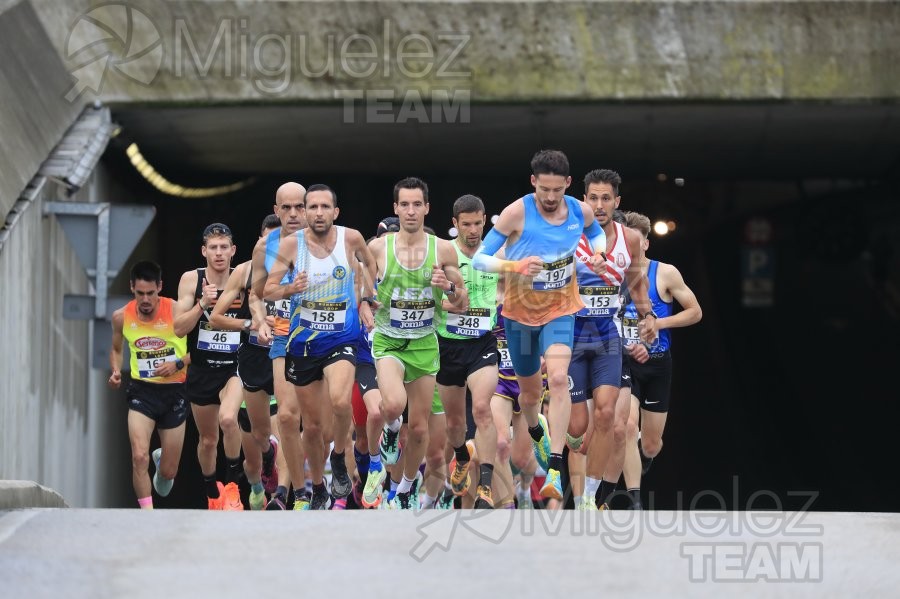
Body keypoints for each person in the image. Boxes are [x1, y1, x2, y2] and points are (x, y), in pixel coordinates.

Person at [473, 150, 650, 500]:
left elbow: (596, 234)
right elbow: (480, 259)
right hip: (519, 316)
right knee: (528, 397)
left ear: (567, 185)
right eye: (544, 190)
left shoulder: (579, 211)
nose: (551, 198)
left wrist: (599, 255)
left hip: (560, 310)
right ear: (533, 182)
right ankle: (537, 430)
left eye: (557, 190)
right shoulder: (515, 213)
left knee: (556, 379)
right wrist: (516, 267)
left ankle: (554, 465)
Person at [265, 184, 378, 509]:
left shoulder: (351, 239)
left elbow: (370, 267)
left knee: (341, 402)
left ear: (335, 212)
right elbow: (267, 290)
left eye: (323, 207)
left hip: (341, 338)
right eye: (311, 207)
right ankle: (316, 486)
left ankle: (339, 459)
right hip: (302, 344)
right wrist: (289, 290)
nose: (316, 213)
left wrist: (367, 299)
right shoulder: (290, 246)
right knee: (313, 428)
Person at [366, 177, 468, 509]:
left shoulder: (444, 249)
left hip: (425, 343)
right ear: (396, 208)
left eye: (417, 204)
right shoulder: (378, 248)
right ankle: (391, 429)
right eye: (404, 205)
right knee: (393, 405)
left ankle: (407, 487)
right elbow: (361, 291)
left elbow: (462, 301)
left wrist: (449, 288)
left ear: (427, 208)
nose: (411, 211)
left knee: (422, 431)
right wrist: (367, 305)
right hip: (389, 341)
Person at [569, 169, 651, 510]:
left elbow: (637, 285)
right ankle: (562, 437)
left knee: (606, 416)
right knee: (578, 428)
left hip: (607, 336)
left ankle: (588, 495)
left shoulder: (629, 239)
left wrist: (648, 317)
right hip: (571, 334)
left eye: (606, 199)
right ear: (584, 200)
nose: (599, 205)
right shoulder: (569, 235)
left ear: (616, 202)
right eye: (593, 198)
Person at [620, 211, 702, 507]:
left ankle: (645, 454)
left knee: (652, 445)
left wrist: (659, 324)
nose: (628, 247)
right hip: (625, 363)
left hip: (656, 365)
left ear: (645, 244)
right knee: (628, 426)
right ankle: (634, 498)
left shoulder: (665, 273)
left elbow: (695, 312)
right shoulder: (611, 274)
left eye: (634, 242)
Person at [208, 215, 282, 510]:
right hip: (252, 362)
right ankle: (259, 474)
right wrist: (250, 324)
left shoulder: (303, 267)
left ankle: (286, 495)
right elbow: (216, 318)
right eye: (269, 240)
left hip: (285, 361)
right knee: (258, 443)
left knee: (286, 424)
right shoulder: (246, 271)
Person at [174, 223, 245, 510]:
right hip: (203, 369)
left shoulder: (243, 278)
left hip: (234, 367)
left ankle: (232, 485)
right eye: (213, 247)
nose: (219, 253)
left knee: (229, 419)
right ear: (204, 251)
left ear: (233, 251)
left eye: (224, 247)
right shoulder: (191, 280)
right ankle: (210, 489)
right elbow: (179, 329)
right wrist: (203, 303)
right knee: (207, 440)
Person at [436, 194, 500, 508]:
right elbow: (434, 301)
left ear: (485, 220)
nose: (473, 230)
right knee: (454, 423)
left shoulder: (496, 254)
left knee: (483, 409)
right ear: (455, 224)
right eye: (466, 224)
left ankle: (485, 487)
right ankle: (461, 456)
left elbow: (513, 292)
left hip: (483, 344)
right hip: (447, 345)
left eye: (478, 223)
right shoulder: (443, 256)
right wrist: (452, 304)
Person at [109, 261, 188, 509]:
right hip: (142, 392)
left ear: (160, 288)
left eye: (151, 293)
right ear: (132, 288)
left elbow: (200, 350)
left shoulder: (176, 310)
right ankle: (147, 514)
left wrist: (177, 364)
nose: (145, 299)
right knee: (139, 456)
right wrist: (115, 370)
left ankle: (162, 460)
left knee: (168, 475)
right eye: (140, 293)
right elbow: (116, 348)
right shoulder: (121, 317)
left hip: (175, 391)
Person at [249, 182, 308, 509]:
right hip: (283, 337)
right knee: (287, 416)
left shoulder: (325, 242)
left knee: (318, 427)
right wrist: (259, 321)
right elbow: (256, 295)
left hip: (322, 340)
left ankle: (319, 479)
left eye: (299, 206)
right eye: (286, 208)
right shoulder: (264, 248)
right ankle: (290, 492)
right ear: (276, 211)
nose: (294, 214)